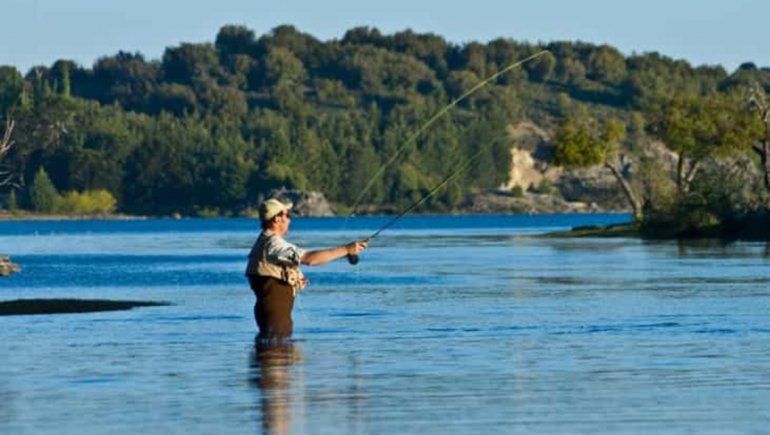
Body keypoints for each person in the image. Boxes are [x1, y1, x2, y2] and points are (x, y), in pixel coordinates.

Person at [246, 198, 367, 340]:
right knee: (277, 354)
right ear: (277, 219)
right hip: (275, 319)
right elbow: (310, 259)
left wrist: (293, 282)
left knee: (275, 355)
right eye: (287, 215)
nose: (289, 220)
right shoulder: (274, 244)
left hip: (270, 315)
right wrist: (346, 249)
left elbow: (268, 276)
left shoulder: (264, 242)